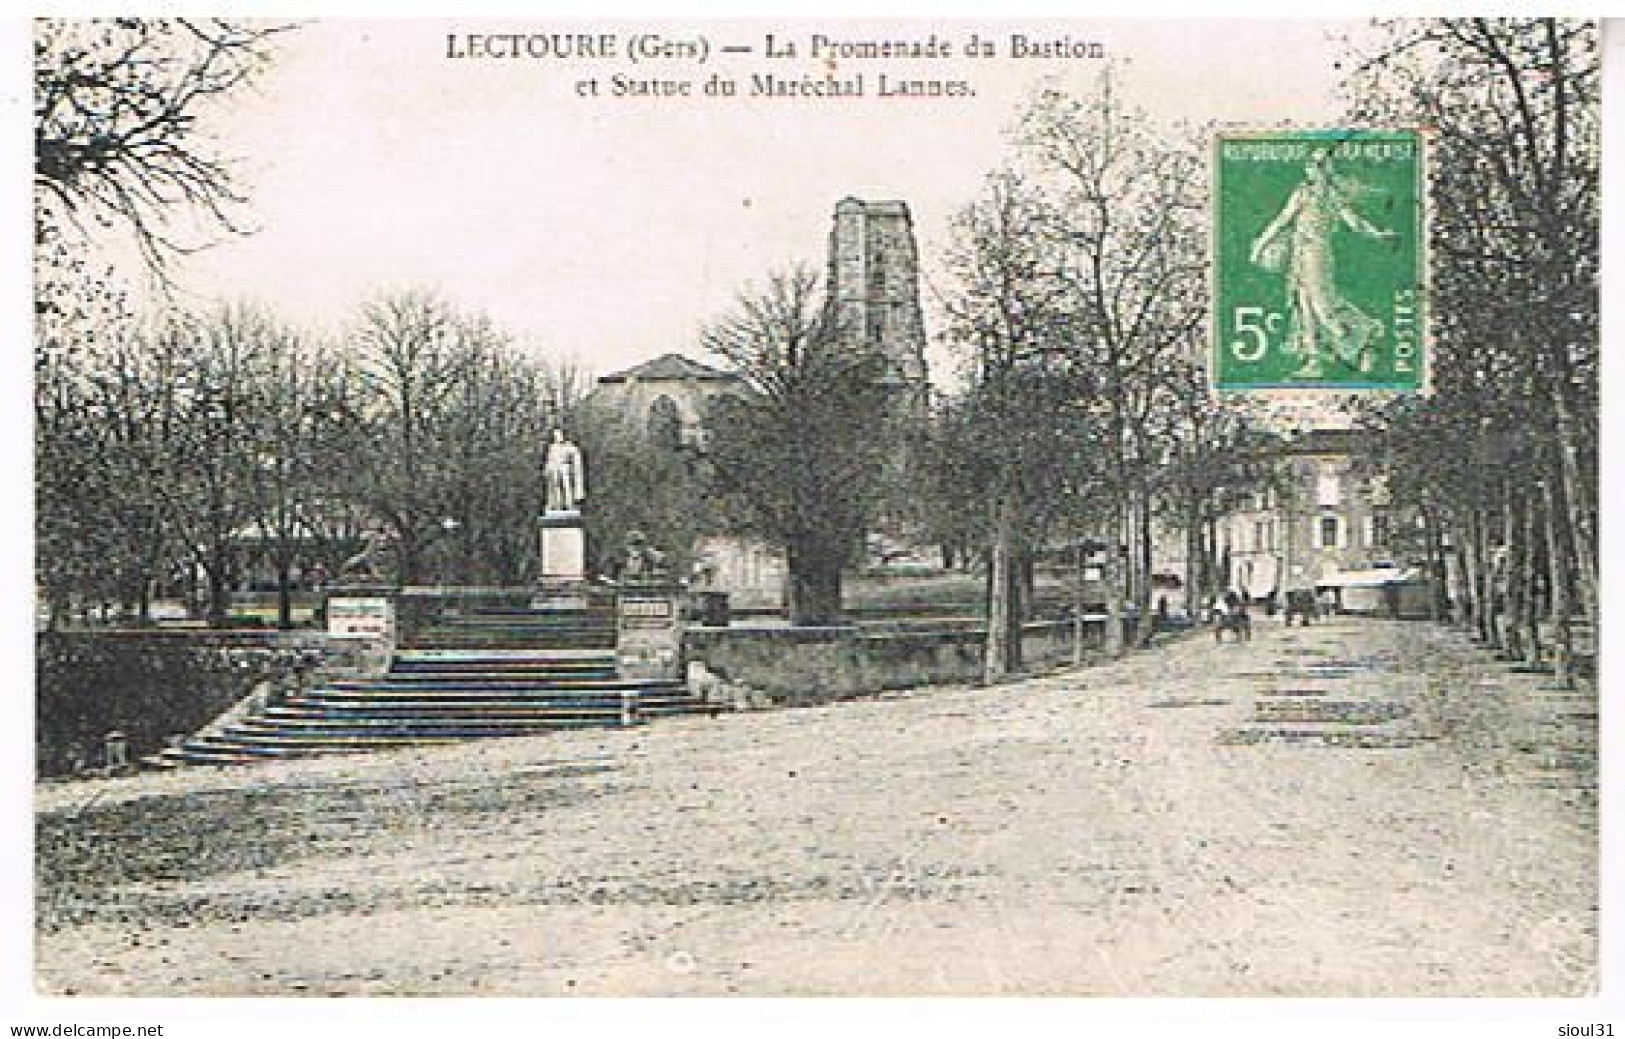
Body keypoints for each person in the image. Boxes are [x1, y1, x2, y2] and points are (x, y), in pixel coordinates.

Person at [1250, 152, 1398, 379]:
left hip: (1317, 255)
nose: (1313, 170)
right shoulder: (1303, 193)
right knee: (1305, 307)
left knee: (1323, 306)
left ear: (1326, 169)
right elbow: (1283, 219)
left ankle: (1367, 335)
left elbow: (1354, 222)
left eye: (1318, 166)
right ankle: (1314, 361)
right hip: (1299, 254)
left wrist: (1378, 235)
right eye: (1311, 165)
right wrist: (1261, 242)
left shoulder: (1332, 196)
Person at [543, 428, 586, 512]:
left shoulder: (568, 446)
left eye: (559, 435)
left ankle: (569, 504)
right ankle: (557, 504)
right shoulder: (552, 447)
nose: (557, 437)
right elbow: (550, 459)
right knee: (555, 487)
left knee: (566, 487)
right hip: (554, 469)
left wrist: (572, 464)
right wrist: (547, 468)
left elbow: (575, 455)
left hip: (564, 468)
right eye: (556, 435)